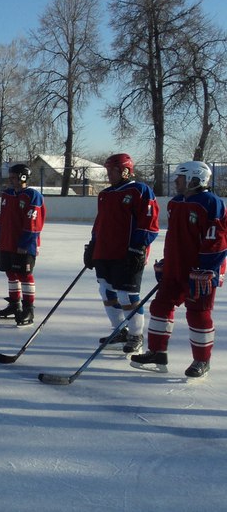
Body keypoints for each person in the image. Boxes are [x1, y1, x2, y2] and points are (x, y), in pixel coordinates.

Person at [131, 161, 227, 378]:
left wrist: (207, 269)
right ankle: (157, 352)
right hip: (175, 268)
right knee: (160, 306)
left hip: (199, 272)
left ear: (195, 179)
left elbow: (218, 240)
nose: (175, 181)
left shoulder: (211, 203)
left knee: (198, 313)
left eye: (180, 177)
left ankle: (202, 360)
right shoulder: (175, 203)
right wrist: (168, 261)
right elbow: (176, 238)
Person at [84, 153, 159, 355]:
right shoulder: (105, 194)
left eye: (113, 170)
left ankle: (136, 335)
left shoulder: (140, 190)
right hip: (105, 252)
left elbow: (150, 225)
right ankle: (120, 331)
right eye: (108, 170)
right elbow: (100, 223)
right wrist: (93, 244)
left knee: (127, 295)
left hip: (127, 254)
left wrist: (137, 248)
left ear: (125, 170)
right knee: (106, 291)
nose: (109, 174)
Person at [0, 163, 46, 326]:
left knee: (24, 275)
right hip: (7, 242)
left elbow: (34, 223)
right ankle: (14, 305)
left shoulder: (32, 196)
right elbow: (1, 218)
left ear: (23, 177)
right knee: (10, 273)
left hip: (23, 245)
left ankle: (28, 309)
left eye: (14, 177)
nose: (11, 180)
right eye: (10, 177)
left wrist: (24, 243)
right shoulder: (7, 194)